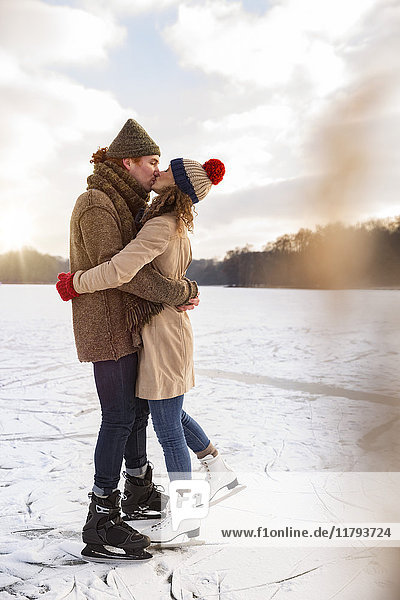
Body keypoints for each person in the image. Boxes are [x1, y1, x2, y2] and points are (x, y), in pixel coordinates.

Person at [57, 157, 240, 546]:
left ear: (177, 187)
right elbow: (172, 275)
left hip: (164, 336)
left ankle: (189, 521)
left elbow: (122, 269)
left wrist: (77, 282)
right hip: (167, 332)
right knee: (169, 411)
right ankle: (215, 465)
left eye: (167, 170)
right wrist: (184, 290)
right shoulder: (174, 224)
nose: (157, 173)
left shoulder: (161, 225)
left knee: (169, 429)